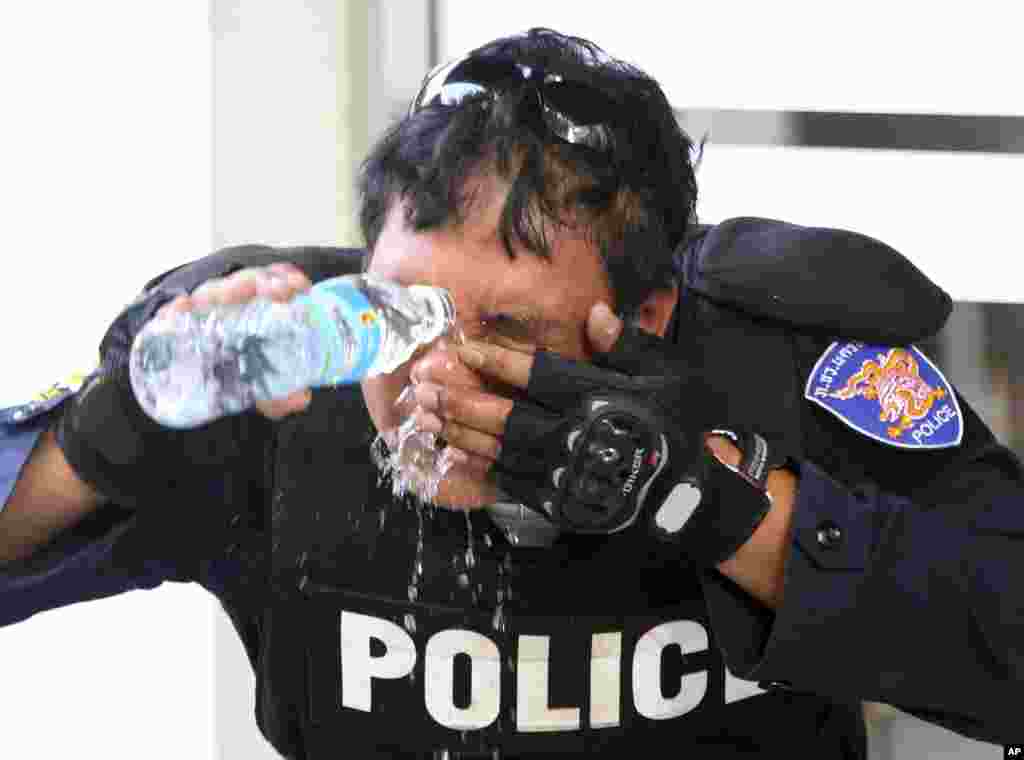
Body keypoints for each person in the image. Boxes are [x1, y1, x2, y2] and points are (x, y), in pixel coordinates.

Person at [1, 27, 1020, 759]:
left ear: (647, 313)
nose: (435, 376)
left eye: (505, 332)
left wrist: (719, 506)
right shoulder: (288, 378)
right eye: (404, 314)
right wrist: (111, 433)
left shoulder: (765, 362)